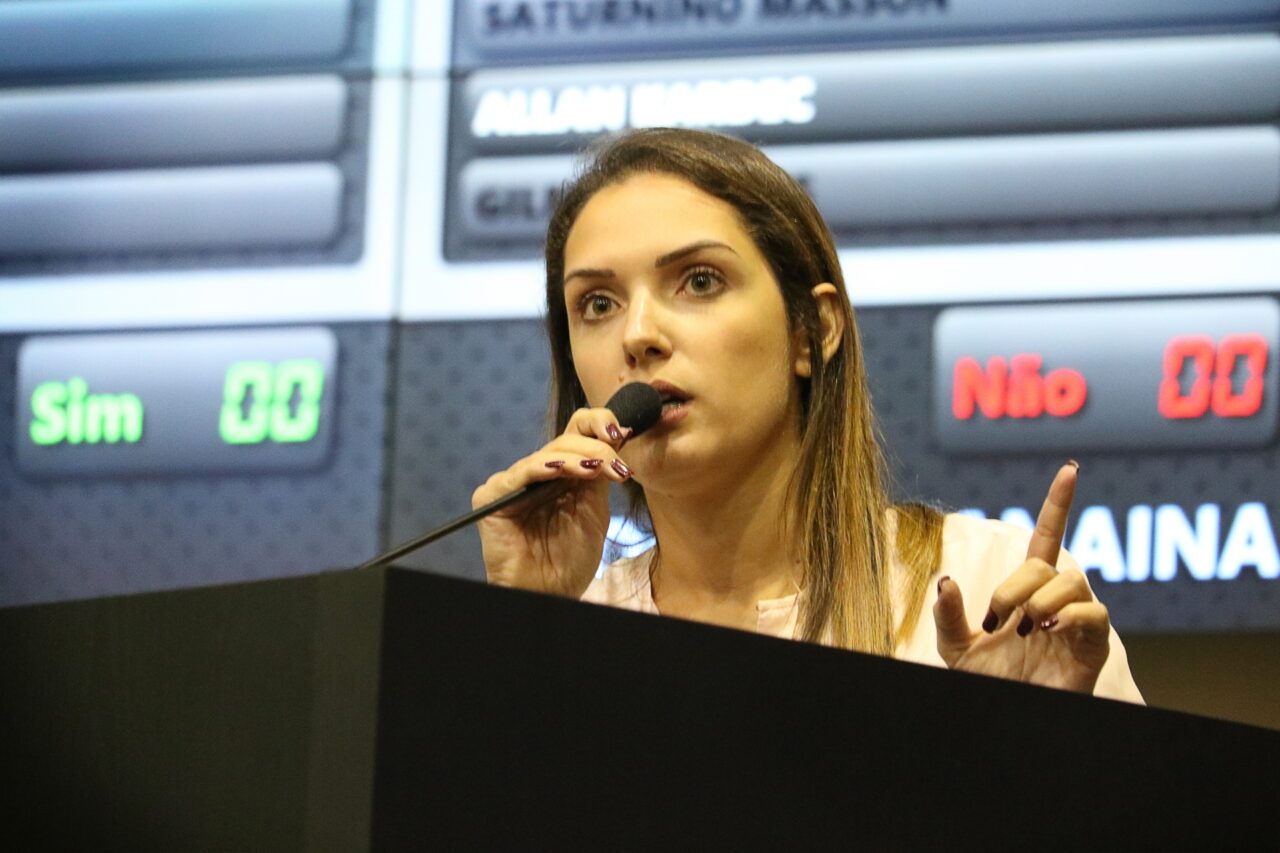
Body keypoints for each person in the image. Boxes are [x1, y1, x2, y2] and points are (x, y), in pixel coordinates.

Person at [473, 128, 1142, 703]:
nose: (638, 334)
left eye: (699, 281)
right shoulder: (569, 627)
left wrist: (1039, 742)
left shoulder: (990, 587)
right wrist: (525, 628)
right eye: (597, 303)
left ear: (812, 330)